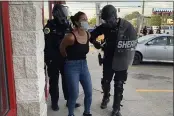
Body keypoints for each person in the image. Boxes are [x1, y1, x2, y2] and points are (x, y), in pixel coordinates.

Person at [90, 5, 137, 116]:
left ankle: (116, 108)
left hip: (122, 60)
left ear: (114, 16)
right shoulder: (105, 27)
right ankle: (106, 97)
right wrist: (95, 43)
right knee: (105, 82)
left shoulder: (127, 27)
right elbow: (91, 35)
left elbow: (133, 42)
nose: (106, 22)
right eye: (105, 20)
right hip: (108, 60)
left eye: (108, 19)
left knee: (119, 84)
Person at [43, 4, 80, 111]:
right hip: (53, 59)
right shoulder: (49, 27)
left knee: (67, 80)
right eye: (63, 12)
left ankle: (69, 101)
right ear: (57, 14)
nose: (65, 15)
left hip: (65, 58)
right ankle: (54, 102)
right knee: (54, 81)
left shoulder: (67, 25)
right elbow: (47, 44)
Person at [60, 11, 92, 116]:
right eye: (83, 19)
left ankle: (87, 113)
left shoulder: (88, 34)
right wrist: (67, 57)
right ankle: (71, 114)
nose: (86, 21)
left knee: (89, 92)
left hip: (84, 65)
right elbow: (62, 48)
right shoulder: (71, 37)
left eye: (86, 19)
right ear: (77, 22)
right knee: (74, 94)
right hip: (71, 66)